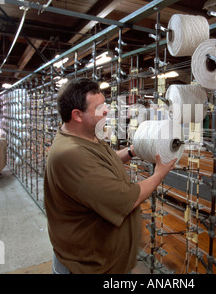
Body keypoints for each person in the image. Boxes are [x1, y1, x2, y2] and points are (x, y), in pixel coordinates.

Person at [44, 78, 177, 274]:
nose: (106, 110)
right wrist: (159, 174)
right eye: (99, 107)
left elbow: (104, 160)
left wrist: (133, 150)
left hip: (106, 261)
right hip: (87, 268)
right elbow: (126, 199)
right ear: (77, 115)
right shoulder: (70, 154)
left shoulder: (86, 137)